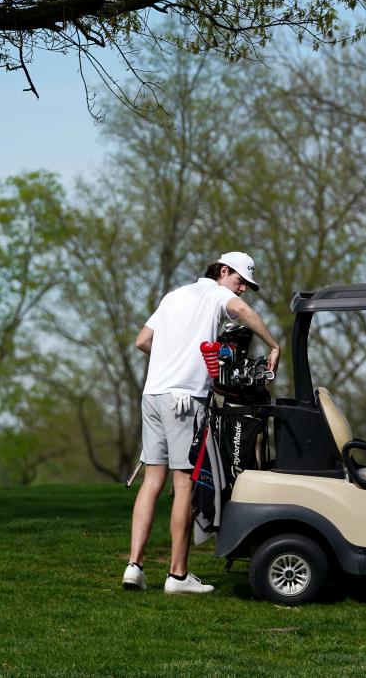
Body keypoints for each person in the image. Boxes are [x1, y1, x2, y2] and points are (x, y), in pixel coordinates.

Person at [122, 251, 280, 594]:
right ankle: (177, 576)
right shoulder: (216, 294)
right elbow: (239, 311)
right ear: (223, 272)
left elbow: (143, 341)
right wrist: (273, 345)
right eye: (240, 282)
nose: (241, 291)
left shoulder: (174, 295)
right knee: (182, 486)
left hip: (153, 396)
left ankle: (134, 566)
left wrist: (174, 354)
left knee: (151, 482)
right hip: (184, 401)